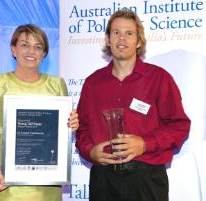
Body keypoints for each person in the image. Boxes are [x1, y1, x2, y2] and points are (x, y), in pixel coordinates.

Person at [75, 8, 191, 201]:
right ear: (108, 39)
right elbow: (82, 128)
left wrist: (145, 144)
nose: (122, 39)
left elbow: (179, 126)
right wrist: (91, 151)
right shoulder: (92, 83)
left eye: (129, 33)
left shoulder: (159, 78)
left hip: (146, 179)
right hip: (103, 179)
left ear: (138, 41)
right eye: (116, 33)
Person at [0, 24, 79, 201]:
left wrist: (71, 126)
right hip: (4, 185)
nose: (31, 51)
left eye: (38, 47)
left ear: (44, 54)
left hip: (46, 188)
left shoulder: (57, 85)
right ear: (13, 49)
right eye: (24, 44)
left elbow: (59, 136)